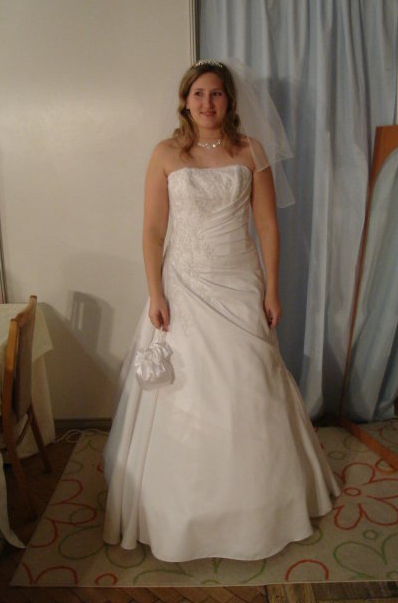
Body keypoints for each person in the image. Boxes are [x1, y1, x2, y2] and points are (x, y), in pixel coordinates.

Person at [103, 60, 340, 562]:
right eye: (198, 94)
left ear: (229, 100)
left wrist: (272, 289)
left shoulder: (251, 150)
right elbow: (152, 230)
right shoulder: (166, 153)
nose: (207, 103)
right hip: (183, 286)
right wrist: (155, 293)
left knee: (250, 381)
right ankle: (181, 512)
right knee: (186, 389)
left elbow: (268, 225)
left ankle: (263, 506)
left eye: (216, 94)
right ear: (185, 100)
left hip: (239, 283)